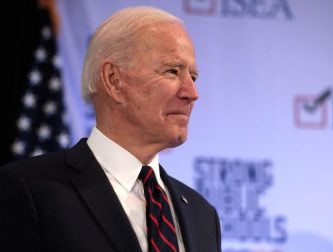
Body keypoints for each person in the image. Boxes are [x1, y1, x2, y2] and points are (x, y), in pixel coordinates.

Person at [0, 6, 221, 252]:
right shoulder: (31, 190)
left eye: (193, 77)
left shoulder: (202, 215)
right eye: (172, 71)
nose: (192, 93)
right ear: (114, 80)